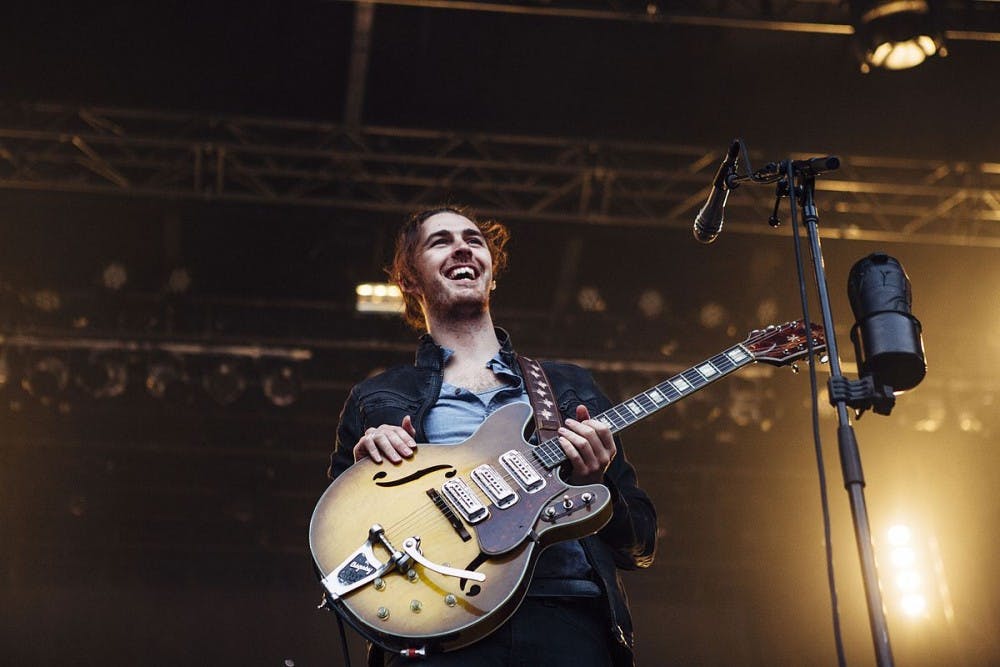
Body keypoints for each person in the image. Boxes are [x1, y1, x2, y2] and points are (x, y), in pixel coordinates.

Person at [328, 205, 657, 667]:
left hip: (566, 615)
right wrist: (363, 474)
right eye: (440, 241)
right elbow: (335, 547)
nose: (462, 246)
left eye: (473, 240)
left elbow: (640, 542)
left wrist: (597, 481)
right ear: (408, 279)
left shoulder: (567, 386)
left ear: (490, 274)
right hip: (439, 625)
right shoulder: (378, 396)